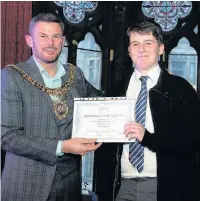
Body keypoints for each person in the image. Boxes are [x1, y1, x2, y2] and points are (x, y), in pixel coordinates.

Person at [1, 13, 103, 201]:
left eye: (56, 36)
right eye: (43, 36)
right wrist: (62, 146)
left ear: (63, 40)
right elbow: (7, 137)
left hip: (70, 186)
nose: (51, 43)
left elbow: (100, 102)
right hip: (25, 187)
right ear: (29, 40)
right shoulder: (12, 77)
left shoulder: (75, 74)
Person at [95, 21, 200, 201]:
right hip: (121, 186)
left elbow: (192, 140)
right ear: (129, 51)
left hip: (165, 186)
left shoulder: (181, 89)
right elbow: (106, 146)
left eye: (148, 43)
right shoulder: (116, 90)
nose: (141, 49)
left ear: (161, 49)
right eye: (135, 44)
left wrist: (148, 138)